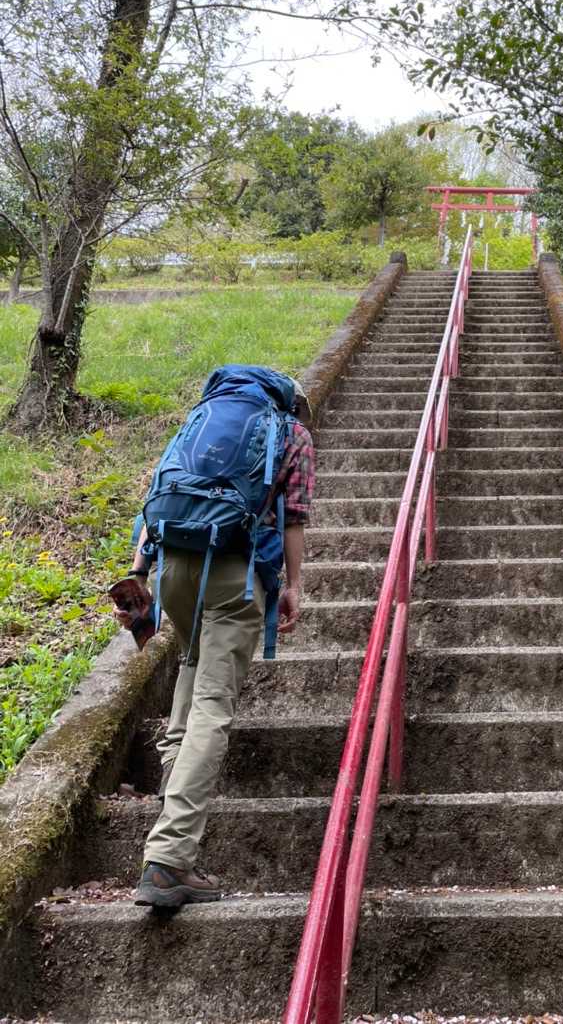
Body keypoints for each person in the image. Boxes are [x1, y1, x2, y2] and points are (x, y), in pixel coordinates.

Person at [114, 372, 315, 909]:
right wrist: (293, 586)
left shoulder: (200, 419)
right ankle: (169, 859)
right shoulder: (290, 432)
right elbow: (293, 518)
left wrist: (137, 575)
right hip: (234, 573)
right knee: (212, 703)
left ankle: (172, 789)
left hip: (172, 570)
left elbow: (157, 492)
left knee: (191, 664)